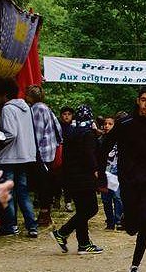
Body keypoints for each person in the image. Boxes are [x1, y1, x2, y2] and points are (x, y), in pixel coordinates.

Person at [101, 87, 146, 272]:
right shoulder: (125, 124)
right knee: (132, 227)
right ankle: (128, 220)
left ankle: (135, 266)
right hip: (129, 179)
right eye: (143, 100)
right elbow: (105, 146)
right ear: (138, 101)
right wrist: (99, 174)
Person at [50, 105, 106, 255]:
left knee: (82, 210)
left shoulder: (71, 132)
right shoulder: (87, 134)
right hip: (83, 178)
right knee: (91, 209)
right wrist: (95, 170)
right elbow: (89, 154)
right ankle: (62, 232)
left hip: (70, 178)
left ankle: (83, 243)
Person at [0, 77, 39, 238]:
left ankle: (10, 226)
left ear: (4, 95)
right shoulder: (25, 108)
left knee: (8, 193)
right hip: (24, 156)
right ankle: (32, 226)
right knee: (23, 193)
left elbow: (10, 133)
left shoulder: (8, 109)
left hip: (9, 157)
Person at [23, 85, 62, 229]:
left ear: (29, 96)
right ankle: (45, 213)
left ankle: (45, 214)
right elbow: (58, 130)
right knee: (45, 183)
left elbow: (37, 133)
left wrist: (32, 151)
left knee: (43, 185)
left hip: (42, 152)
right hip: (50, 150)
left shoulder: (38, 109)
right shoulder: (46, 108)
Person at [99, 115, 124, 230]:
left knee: (118, 197)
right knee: (106, 199)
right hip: (104, 172)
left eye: (110, 124)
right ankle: (110, 221)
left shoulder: (120, 140)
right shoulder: (100, 140)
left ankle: (119, 220)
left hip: (117, 171)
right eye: (105, 124)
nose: (107, 126)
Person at [57, 106, 75, 213]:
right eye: (64, 114)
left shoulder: (74, 128)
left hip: (70, 158)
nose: (66, 116)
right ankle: (56, 199)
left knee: (69, 180)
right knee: (56, 180)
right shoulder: (57, 127)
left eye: (69, 114)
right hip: (58, 156)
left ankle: (68, 202)